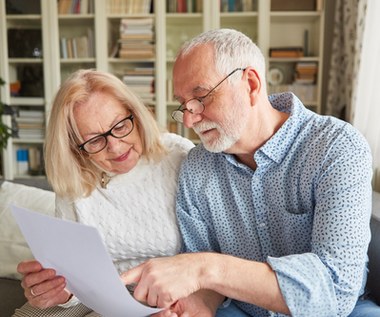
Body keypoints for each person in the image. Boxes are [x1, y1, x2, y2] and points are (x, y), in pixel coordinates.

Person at [122, 29, 380, 316]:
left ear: (251, 84)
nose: (189, 119)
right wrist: (196, 305)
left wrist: (206, 268)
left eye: (201, 97)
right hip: (243, 311)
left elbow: (336, 290)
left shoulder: (336, 147)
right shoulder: (197, 167)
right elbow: (206, 283)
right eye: (184, 105)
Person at [13, 69, 194, 317]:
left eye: (120, 126)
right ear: (76, 149)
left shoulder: (179, 156)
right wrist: (59, 290)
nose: (115, 146)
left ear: (137, 115)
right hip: (97, 299)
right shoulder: (75, 180)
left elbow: (206, 257)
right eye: (95, 140)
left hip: (170, 294)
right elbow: (74, 277)